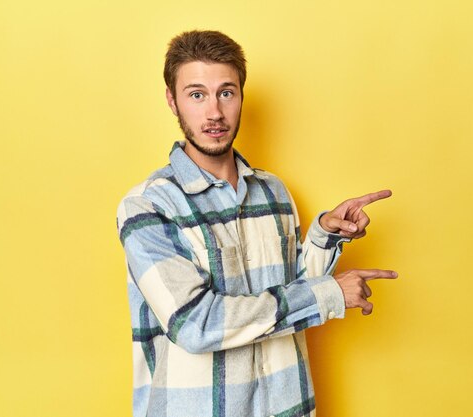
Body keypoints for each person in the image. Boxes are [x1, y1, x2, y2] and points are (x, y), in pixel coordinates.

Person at [116, 30, 397, 417]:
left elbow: (290, 290)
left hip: (287, 406)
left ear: (241, 98)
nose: (214, 112)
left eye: (226, 93)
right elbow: (195, 324)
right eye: (196, 94)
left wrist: (325, 237)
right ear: (172, 100)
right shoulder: (147, 205)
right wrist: (329, 294)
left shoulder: (274, 191)